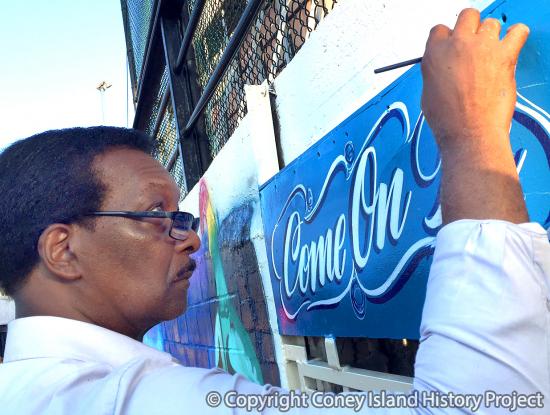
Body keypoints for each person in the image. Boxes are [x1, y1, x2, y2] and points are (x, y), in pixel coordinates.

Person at [0, 8, 548, 414]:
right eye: (156, 214)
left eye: (184, 215)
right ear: (63, 250)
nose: (189, 239)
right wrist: (472, 134)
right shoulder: (125, 398)